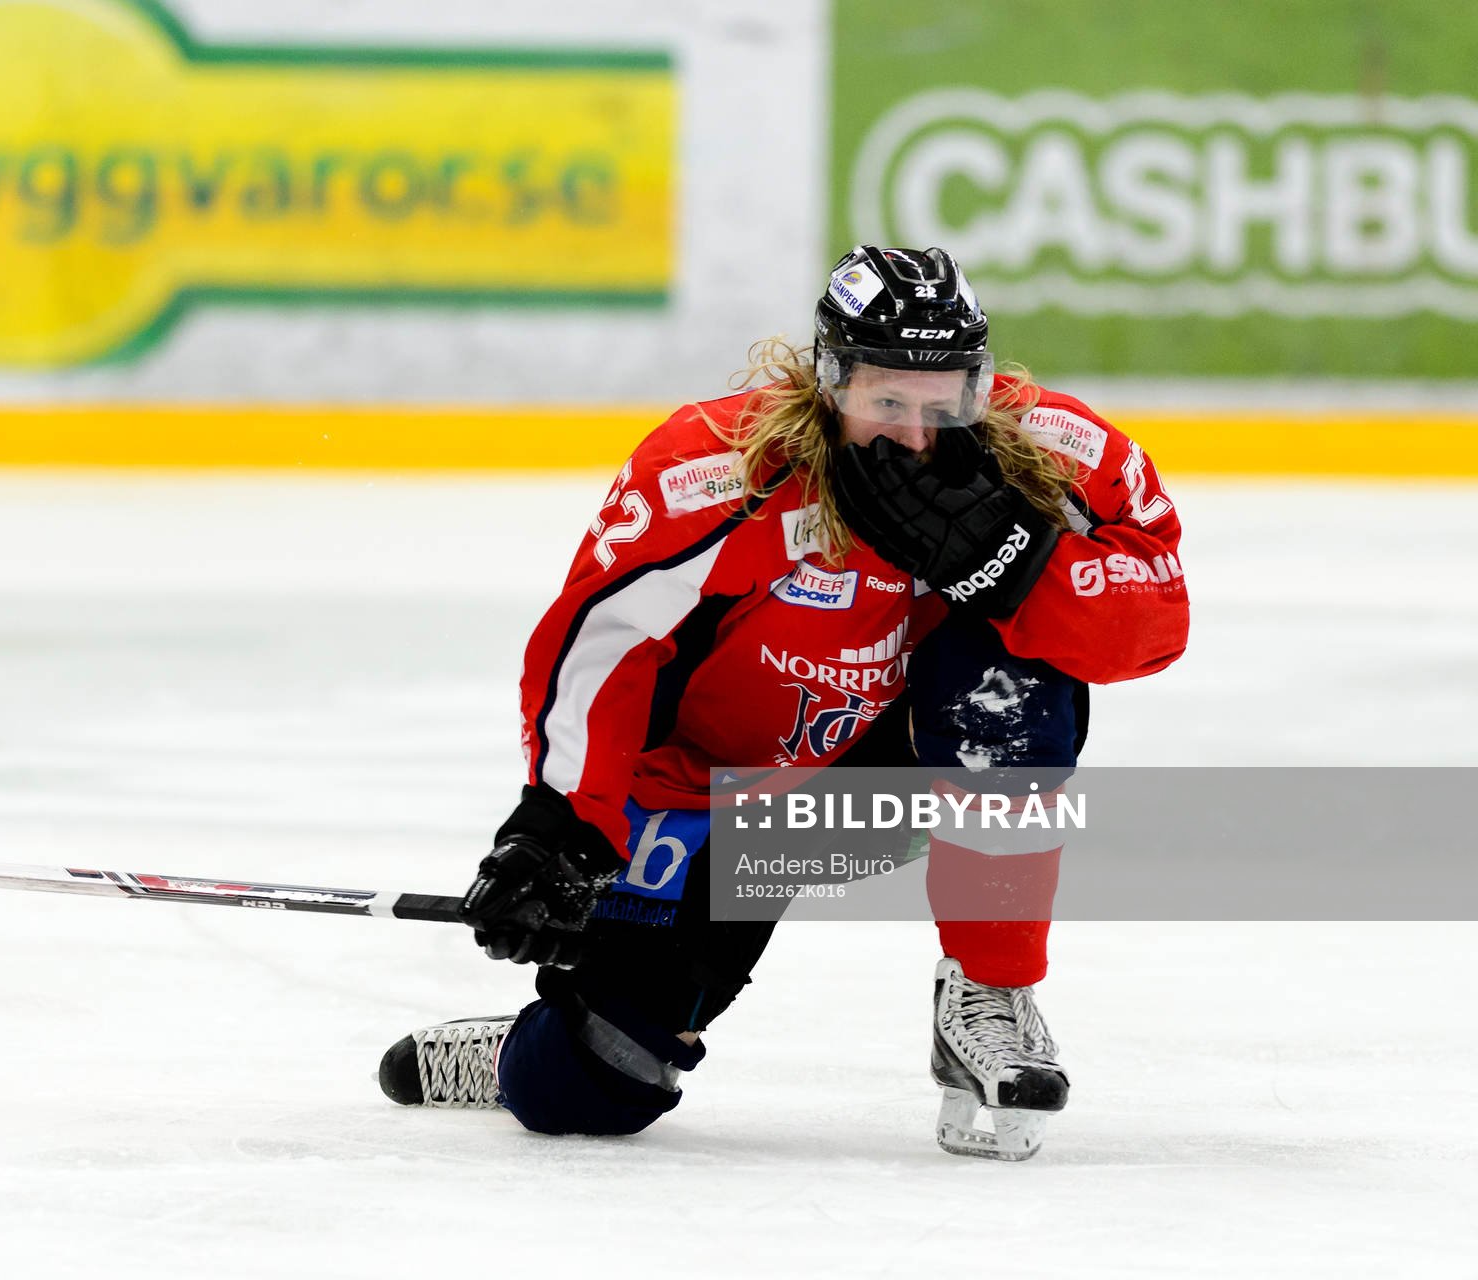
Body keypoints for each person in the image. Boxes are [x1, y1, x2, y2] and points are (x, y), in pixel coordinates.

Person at [377, 246, 1189, 1160]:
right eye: (886, 402)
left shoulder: (1046, 452)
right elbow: (600, 645)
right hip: (713, 801)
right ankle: (528, 1048)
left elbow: (1156, 617)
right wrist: (563, 829)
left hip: (877, 781)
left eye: (946, 402)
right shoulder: (719, 469)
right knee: (591, 1086)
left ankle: (988, 993)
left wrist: (1020, 566)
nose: (917, 436)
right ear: (828, 381)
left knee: (1005, 676)